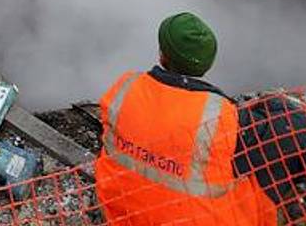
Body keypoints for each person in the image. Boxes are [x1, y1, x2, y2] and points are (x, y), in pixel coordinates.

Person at [94, 13, 280, 225]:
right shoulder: (220, 114)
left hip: (118, 211)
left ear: (162, 55)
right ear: (207, 65)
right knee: (262, 176)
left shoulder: (125, 86)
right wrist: (274, 105)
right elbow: (289, 133)